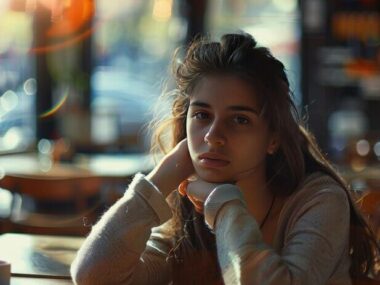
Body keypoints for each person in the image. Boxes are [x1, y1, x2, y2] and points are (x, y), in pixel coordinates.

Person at [71, 32, 379, 285]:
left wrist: (224, 204)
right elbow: (92, 276)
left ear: (272, 138)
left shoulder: (319, 201)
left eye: (240, 120)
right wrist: (163, 176)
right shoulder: (186, 214)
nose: (212, 136)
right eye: (202, 115)